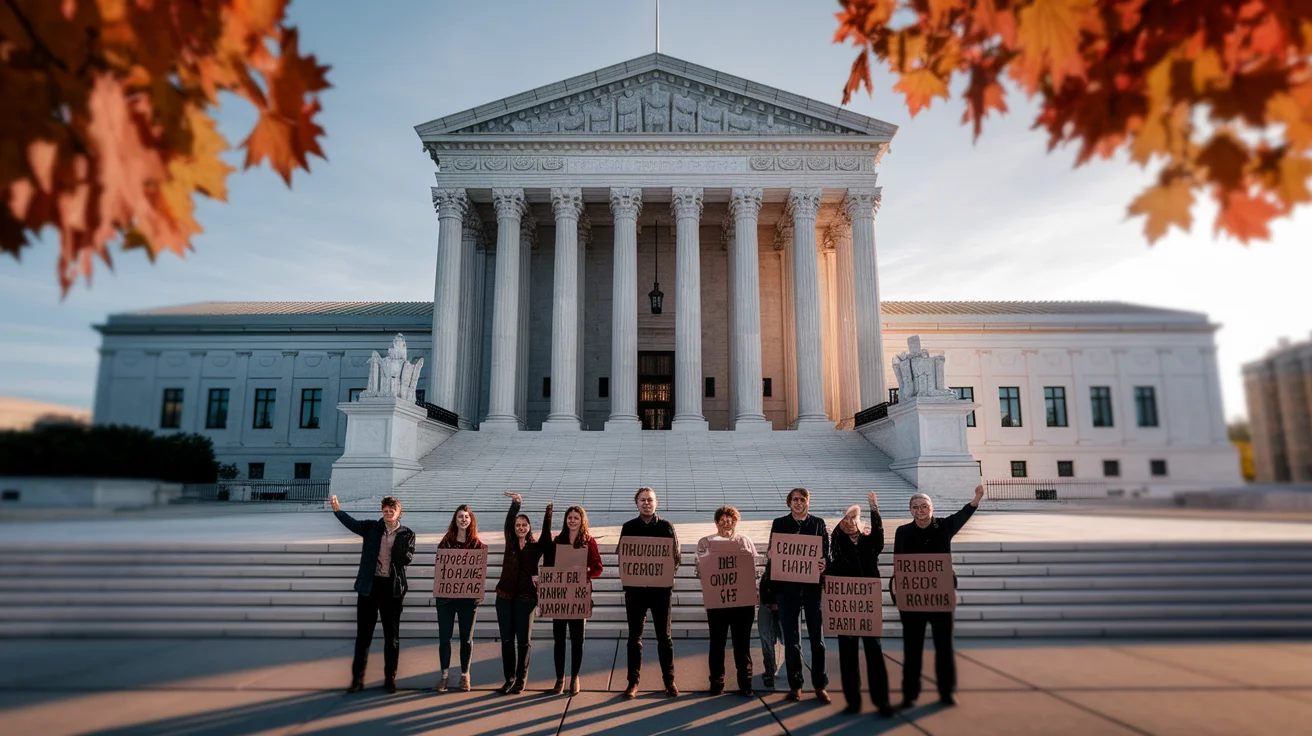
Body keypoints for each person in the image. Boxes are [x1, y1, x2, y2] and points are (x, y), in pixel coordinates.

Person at [894, 485, 985, 709]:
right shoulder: (902, 532)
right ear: (910, 511)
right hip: (913, 600)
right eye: (916, 507)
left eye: (924, 506)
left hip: (940, 598)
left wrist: (976, 498)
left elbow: (963, 516)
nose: (921, 510)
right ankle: (910, 694)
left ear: (931, 508)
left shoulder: (944, 526)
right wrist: (899, 592)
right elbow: (899, 564)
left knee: (944, 647)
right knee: (912, 648)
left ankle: (946, 692)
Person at [329, 494, 415, 694]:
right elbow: (351, 523)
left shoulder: (407, 534)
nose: (387, 514)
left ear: (399, 512)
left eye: (391, 511)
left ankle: (390, 678)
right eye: (385, 511)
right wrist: (337, 510)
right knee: (363, 636)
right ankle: (357, 679)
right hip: (370, 586)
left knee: (391, 637)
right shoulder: (371, 528)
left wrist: (400, 551)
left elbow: (407, 558)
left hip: (392, 588)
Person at [828, 492, 893, 717]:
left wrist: (875, 509)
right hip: (846, 606)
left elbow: (880, 536)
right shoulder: (834, 547)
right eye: (845, 518)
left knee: (874, 652)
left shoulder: (870, 542)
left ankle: (882, 700)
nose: (848, 522)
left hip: (867, 605)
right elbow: (828, 572)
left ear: (860, 521)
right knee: (848, 655)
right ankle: (853, 702)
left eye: (853, 518)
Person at [767, 487, 830, 703]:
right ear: (789, 503)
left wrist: (824, 563)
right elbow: (772, 552)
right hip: (787, 590)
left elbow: (826, 553)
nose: (799, 502)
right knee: (792, 641)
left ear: (808, 503)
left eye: (802, 499)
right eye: (795, 499)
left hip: (812, 590)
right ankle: (796, 685)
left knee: (817, 640)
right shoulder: (779, 524)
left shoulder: (818, 524)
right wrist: (771, 554)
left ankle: (820, 684)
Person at [620, 486, 681, 698]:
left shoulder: (666, 526)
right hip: (636, 592)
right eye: (643, 500)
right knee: (634, 637)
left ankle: (669, 681)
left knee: (664, 637)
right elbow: (623, 556)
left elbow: (676, 556)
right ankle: (632, 682)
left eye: (650, 500)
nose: (646, 503)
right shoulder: (628, 527)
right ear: (636, 503)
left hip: (660, 592)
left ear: (656, 503)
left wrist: (662, 577)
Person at [694, 505, 757, 697]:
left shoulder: (745, 541)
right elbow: (700, 569)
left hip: (742, 603)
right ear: (716, 522)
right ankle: (716, 682)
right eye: (722, 519)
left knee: (742, 644)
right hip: (718, 602)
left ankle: (745, 683)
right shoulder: (705, 542)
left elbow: (753, 566)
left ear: (736, 522)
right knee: (717, 643)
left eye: (730, 519)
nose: (726, 522)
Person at [495, 491, 553, 694]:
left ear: (529, 528)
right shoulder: (510, 542)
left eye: (524, 525)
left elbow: (547, 539)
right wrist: (516, 504)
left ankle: (521, 678)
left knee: (524, 641)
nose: (520, 527)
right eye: (518, 525)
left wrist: (548, 514)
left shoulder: (535, 547)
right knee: (507, 641)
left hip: (526, 598)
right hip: (504, 596)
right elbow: (508, 522)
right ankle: (509, 678)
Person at [548, 504, 603, 696]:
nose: (572, 520)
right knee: (559, 640)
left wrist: (585, 571)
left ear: (582, 520)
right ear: (566, 520)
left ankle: (575, 677)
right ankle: (559, 678)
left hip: (579, 595)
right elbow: (549, 566)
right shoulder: (558, 541)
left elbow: (598, 567)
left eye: (576, 518)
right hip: (561, 596)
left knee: (577, 639)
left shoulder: (589, 542)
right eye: (569, 517)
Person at [434, 504, 484, 693]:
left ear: (471, 521)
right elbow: (440, 568)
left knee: (466, 639)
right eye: (460, 516)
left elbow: (479, 572)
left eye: (466, 517)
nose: (463, 519)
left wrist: (478, 591)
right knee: (444, 638)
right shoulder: (446, 542)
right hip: (446, 598)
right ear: (455, 520)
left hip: (467, 599)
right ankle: (444, 676)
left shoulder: (476, 544)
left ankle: (465, 675)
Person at [756, 567, 784, 691]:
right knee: (766, 638)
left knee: (790, 640)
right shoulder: (768, 572)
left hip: (784, 602)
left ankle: (792, 670)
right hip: (767, 602)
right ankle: (770, 669)